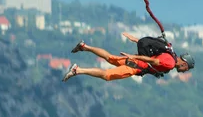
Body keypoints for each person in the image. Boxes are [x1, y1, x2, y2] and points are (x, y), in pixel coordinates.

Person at [62, 32, 195, 82]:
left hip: (134, 60)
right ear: (184, 63)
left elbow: (153, 50)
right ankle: (78, 70)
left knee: (109, 58)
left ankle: (84, 47)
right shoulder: (170, 63)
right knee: (106, 75)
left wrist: (137, 41)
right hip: (135, 66)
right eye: (186, 69)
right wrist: (134, 56)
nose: (184, 71)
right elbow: (153, 60)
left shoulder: (171, 51)